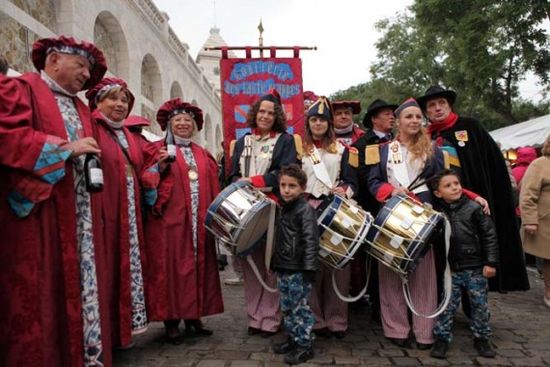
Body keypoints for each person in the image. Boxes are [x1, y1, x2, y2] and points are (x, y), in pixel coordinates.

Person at [0, 36, 112, 366]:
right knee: (40, 296)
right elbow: (7, 138)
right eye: (80, 66)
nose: (85, 75)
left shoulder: (81, 107)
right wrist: (64, 149)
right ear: (53, 60)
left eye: (89, 70)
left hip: (81, 219)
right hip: (41, 217)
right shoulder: (20, 90)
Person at [418, 85, 529, 292]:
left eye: (442, 103)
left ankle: (475, 308)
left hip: (472, 203)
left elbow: (492, 166)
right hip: (441, 206)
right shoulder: (424, 137)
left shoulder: (470, 127)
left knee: (476, 256)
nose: (438, 108)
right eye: (432, 105)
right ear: (426, 112)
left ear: (450, 105)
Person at [85, 77, 159, 348]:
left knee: (124, 269)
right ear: (98, 102)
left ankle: (120, 332)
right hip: (103, 215)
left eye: (124, 99)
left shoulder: (128, 135)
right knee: (105, 271)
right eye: (112, 98)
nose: (119, 104)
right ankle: (103, 333)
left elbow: (146, 161)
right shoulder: (90, 127)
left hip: (128, 216)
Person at [366, 98, 444, 349]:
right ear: (397, 121)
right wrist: (389, 190)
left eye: (417, 117)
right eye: (408, 117)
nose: (414, 121)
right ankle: (396, 328)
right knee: (390, 271)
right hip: (393, 211)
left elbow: (440, 182)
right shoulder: (383, 150)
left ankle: (424, 331)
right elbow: (374, 182)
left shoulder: (433, 149)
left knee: (423, 273)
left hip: (421, 211)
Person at [145, 98, 224, 343]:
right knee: (172, 270)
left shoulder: (204, 155)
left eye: (187, 121)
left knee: (200, 266)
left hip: (198, 222)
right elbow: (145, 182)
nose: (182, 124)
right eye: (177, 120)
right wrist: (157, 168)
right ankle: (171, 320)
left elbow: (214, 188)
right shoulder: (156, 150)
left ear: (195, 127)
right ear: (168, 125)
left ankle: (194, 316)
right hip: (171, 223)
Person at [228, 89, 298, 336]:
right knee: (249, 264)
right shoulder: (242, 141)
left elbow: (286, 172)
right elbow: (230, 174)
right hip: (245, 209)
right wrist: (239, 181)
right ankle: (254, 317)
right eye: (262, 111)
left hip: (272, 208)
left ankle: (269, 318)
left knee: (269, 264)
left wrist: (255, 180)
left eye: (271, 112)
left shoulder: (285, 141)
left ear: (276, 116)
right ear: (255, 114)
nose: (266, 116)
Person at [301, 96, 357, 339]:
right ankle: (315, 320)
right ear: (308, 123)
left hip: (335, 209)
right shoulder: (299, 150)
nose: (318, 124)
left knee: (338, 266)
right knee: (310, 266)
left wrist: (344, 190)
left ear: (329, 124)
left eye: (323, 120)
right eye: (314, 119)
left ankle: (337, 320)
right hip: (306, 210)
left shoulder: (345, 150)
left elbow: (352, 181)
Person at [429, 169, 498, 359]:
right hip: (451, 269)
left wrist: (491, 262)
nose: (454, 188)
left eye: (456, 184)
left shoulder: (474, 208)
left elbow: (489, 236)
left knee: (480, 306)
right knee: (447, 306)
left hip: (475, 267)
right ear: (438, 193)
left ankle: (482, 338)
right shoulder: (437, 210)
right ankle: (442, 339)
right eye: (448, 185)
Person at [352, 99, 398, 317]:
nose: (392, 117)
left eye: (393, 114)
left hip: (399, 208)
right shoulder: (363, 144)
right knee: (376, 257)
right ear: (374, 119)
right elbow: (361, 176)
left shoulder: (398, 141)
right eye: (387, 113)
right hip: (374, 208)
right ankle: (378, 304)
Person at [271, 164, 319, 365]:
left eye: (292, 186)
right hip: (285, 266)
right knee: (287, 306)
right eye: (283, 185)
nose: (286, 190)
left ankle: (304, 344)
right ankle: (292, 337)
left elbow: (310, 240)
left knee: (300, 308)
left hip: (298, 269)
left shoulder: (305, 210)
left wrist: (309, 268)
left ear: (302, 188)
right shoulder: (284, 207)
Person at [520, 135, 550, 308]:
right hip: (546, 222)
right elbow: (527, 194)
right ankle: (548, 292)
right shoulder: (540, 164)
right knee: (549, 260)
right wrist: (530, 219)